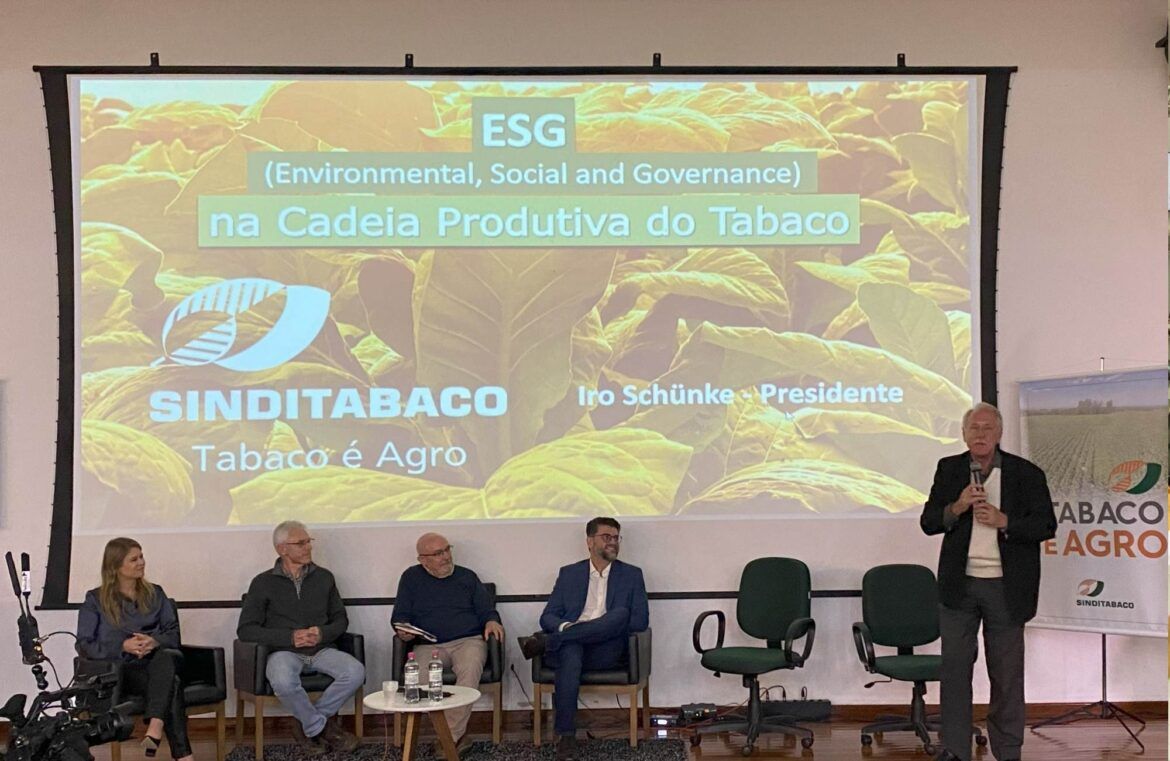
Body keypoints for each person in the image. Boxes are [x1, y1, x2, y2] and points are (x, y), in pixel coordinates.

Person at [920, 403, 1056, 761]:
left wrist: (1004, 521)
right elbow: (929, 521)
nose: (980, 434)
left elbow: (1046, 525)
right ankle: (954, 749)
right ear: (964, 434)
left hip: (1006, 589)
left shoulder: (1025, 473)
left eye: (987, 428)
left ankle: (1008, 751)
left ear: (999, 434)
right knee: (954, 671)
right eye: (974, 428)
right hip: (959, 587)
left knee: (1006, 675)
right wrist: (958, 506)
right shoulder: (949, 469)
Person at [518, 517, 649, 761]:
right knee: (571, 651)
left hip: (607, 649)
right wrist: (570, 628)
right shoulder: (569, 574)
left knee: (620, 614)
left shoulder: (631, 575)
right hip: (572, 649)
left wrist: (598, 629)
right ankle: (567, 738)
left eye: (616, 537)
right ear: (589, 542)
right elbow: (548, 616)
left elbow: (639, 620)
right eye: (606, 537)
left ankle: (547, 643)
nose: (613, 542)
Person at [237, 521, 364, 756]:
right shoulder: (262, 583)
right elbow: (246, 630)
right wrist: (290, 637)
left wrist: (321, 633)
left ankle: (306, 723)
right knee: (282, 680)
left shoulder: (324, 577)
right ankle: (320, 728)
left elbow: (340, 620)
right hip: (283, 652)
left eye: (308, 542)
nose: (308, 547)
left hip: (321, 650)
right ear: (282, 549)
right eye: (301, 543)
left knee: (355, 672)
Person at [76, 538, 194, 761]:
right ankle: (177, 749)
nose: (141, 562)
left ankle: (157, 727)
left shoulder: (156, 593)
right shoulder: (95, 600)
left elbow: (173, 634)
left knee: (167, 657)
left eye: (141, 557)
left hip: (160, 660)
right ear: (116, 566)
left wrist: (154, 641)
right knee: (173, 683)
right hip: (126, 670)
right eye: (134, 559)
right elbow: (84, 644)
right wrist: (123, 645)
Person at [391, 533, 503, 749]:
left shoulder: (467, 577)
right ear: (423, 560)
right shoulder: (411, 578)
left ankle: (449, 739)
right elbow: (400, 616)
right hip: (428, 644)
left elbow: (486, 609)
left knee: (470, 670)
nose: (445, 557)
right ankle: (449, 736)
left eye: (447, 550)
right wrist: (403, 631)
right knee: (418, 679)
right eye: (437, 554)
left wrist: (492, 620)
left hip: (467, 641)